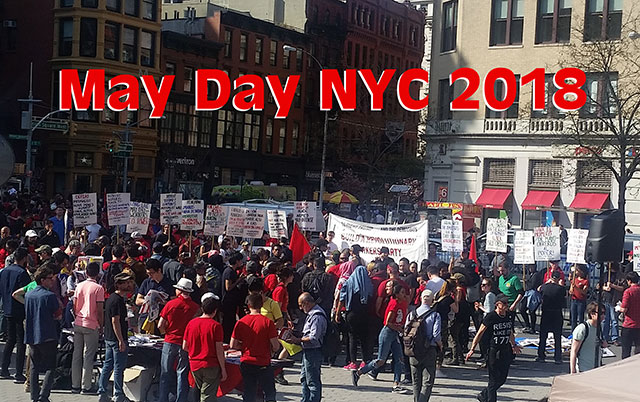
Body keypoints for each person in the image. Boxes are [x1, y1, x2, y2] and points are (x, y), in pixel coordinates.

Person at [352, 284, 411, 394]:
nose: (405, 295)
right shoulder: (393, 304)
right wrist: (400, 330)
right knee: (381, 360)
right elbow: (388, 323)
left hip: (395, 334)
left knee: (399, 359)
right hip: (387, 333)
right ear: (396, 294)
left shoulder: (403, 303)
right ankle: (359, 372)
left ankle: (396, 384)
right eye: (402, 293)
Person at [466, 295, 521, 402]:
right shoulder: (491, 316)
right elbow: (480, 332)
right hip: (494, 350)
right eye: (504, 303)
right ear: (497, 304)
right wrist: (472, 348)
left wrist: (514, 345)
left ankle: (483, 394)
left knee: (502, 379)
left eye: (507, 303)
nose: (506, 306)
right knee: (493, 380)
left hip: (506, 350)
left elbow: (509, 331)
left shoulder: (508, 315)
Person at [230, 293, 280, 402]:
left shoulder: (241, 322)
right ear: (262, 305)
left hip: (247, 361)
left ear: (248, 305)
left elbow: (232, 345)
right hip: (263, 362)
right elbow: (276, 346)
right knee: (269, 393)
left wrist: (243, 346)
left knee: (249, 392)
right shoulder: (268, 323)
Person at [158, 278, 200, 402]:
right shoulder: (195, 307)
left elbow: (161, 325)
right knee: (182, 373)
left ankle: (163, 399)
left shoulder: (170, 304)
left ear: (179, 290)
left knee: (165, 372)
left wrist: (165, 334)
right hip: (186, 343)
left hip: (170, 340)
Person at [24, 266, 61, 402]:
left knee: (34, 366)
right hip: (47, 334)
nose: (52, 281)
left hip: (32, 334)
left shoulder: (29, 294)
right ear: (43, 280)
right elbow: (58, 315)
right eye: (50, 278)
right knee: (51, 366)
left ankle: (34, 396)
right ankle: (44, 395)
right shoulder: (49, 295)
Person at [183, 293, 227, 402]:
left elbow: (185, 346)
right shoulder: (216, 326)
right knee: (208, 396)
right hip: (210, 364)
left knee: (200, 392)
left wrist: (195, 352)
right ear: (215, 310)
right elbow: (219, 350)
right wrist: (223, 369)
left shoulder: (191, 323)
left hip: (194, 364)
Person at [98, 272, 135, 402]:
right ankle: (118, 394)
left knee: (108, 365)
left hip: (110, 338)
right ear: (118, 285)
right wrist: (121, 340)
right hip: (116, 339)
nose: (128, 284)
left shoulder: (113, 299)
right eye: (125, 282)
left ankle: (102, 391)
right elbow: (115, 321)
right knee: (119, 367)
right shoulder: (116, 300)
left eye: (129, 282)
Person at [72, 261, 104, 394]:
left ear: (86, 273)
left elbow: (74, 304)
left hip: (79, 322)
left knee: (76, 355)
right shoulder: (98, 288)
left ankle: (75, 384)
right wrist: (101, 325)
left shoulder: (79, 286)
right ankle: (86, 386)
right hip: (91, 324)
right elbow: (100, 309)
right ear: (98, 274)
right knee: (89, 356)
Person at [290, 293, 327, 402]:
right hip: (308, 351)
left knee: (312, 381)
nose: (301, 308)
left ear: (307, 303)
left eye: (301, 305)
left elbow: (313, 337)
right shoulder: (312, 314)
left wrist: (298, 340)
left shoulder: (317, 315)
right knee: (304, 379)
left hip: (314, 351)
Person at [0, 247, 30, 381]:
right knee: (20, 341)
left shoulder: (4, 271)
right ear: (24, 258)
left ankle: (4, 368)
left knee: (10, 339)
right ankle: (18, 372)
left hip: (6, 307)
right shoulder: (22, 273)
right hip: (19, 308)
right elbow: (27, 291)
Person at [406, 289, 441, 402]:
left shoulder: (411, 314)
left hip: (413, 350)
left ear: (421, 299)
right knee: (428, 381)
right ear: (432, 301)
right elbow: (436, 335)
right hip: (429, 350)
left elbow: (405, 330)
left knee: (416, 381)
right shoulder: (435, 315)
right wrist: (440, 346)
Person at [536, 270, 566, 364]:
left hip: (546, 313)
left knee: (543, 335)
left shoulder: (545, 287)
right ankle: (557, 357)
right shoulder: (561, 289)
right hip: (556, 313)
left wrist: (547, 282)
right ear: (558, 279)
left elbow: (538, 289)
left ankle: (541, 356)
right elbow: (565, 296)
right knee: (557, 336)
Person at [570, 302, 606, 373]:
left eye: (604, 313)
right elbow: (574, 351)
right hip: (583, 369)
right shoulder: (582, 328)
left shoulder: (599, 327)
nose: (603, 316)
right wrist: (573, 371)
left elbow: (602, 343)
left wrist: (602, 343)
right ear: (592, 314)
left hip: (596, 368)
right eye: (601, 313)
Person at [619, 271, 640, 359]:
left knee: (626, 352)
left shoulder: (628, 292)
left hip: (629, 325)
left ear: (629, 281)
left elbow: (624, 309)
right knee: (638, 351)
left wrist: (618, 308)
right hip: (639, 325)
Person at [569, 266, 589, 330]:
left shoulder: (585, 281)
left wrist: (576, 288)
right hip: (574, 300)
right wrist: (571, 291)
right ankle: (573, 332)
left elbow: (584, 292)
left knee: (580, 318)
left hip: (581, 301)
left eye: (577, 271)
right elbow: (571, 290)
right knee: (573, 318)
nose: (576, 272)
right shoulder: (574, 280)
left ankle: (581, 332)